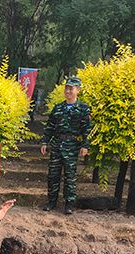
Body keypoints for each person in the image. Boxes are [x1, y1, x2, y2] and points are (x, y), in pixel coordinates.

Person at [40, 76, 91, 215]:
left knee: (70, 176)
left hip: (72, 146)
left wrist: (85, 145)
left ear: (78, 90)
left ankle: (69, 203)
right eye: (66, 88)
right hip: (57, 145)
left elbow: (87, 129)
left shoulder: (83, 108)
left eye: (71, 88)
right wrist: (45, 141)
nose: (68, 91)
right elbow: (50, 126)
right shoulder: (58, 108)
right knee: (53, 175)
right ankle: (51, 201)